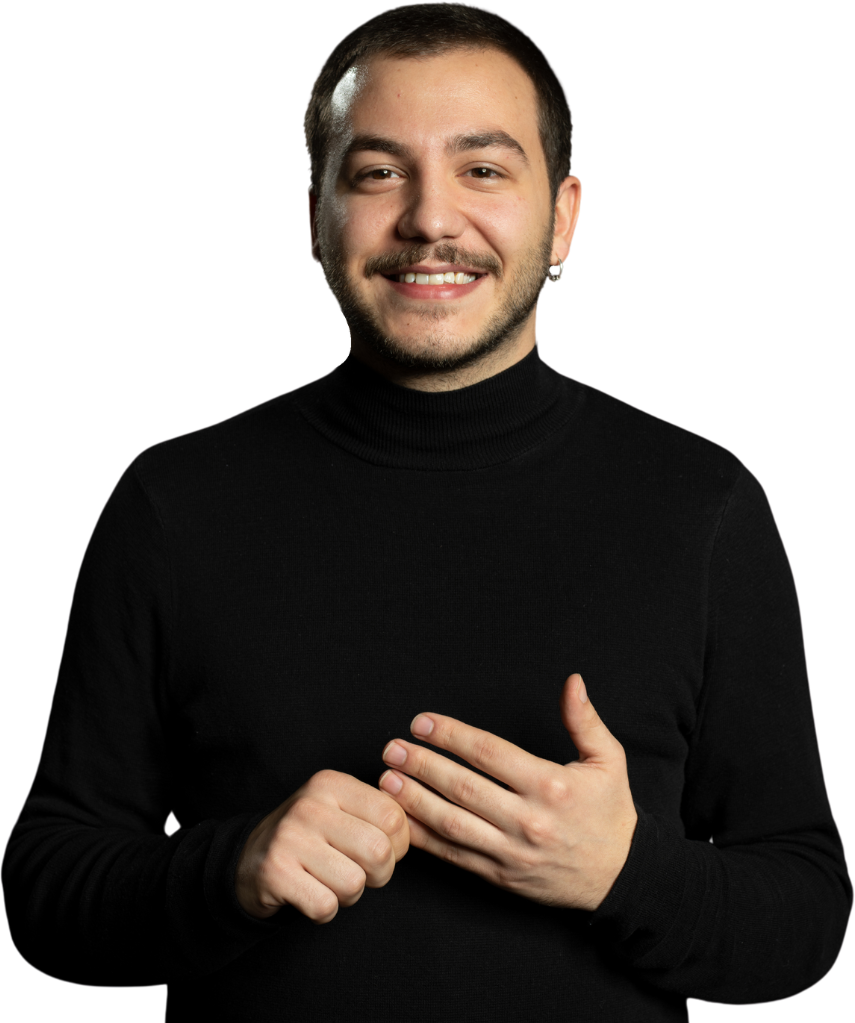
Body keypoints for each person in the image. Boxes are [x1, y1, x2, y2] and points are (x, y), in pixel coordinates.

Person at [3, 5, 851, 1021]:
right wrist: (231, 868)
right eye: (377, 173)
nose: (430, 219)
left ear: (564, 218)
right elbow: (44, 889)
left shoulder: (704, 505)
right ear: (315, 219)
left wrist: (624, 872)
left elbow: (806, 915)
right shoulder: (170, 501)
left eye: (482, 169)